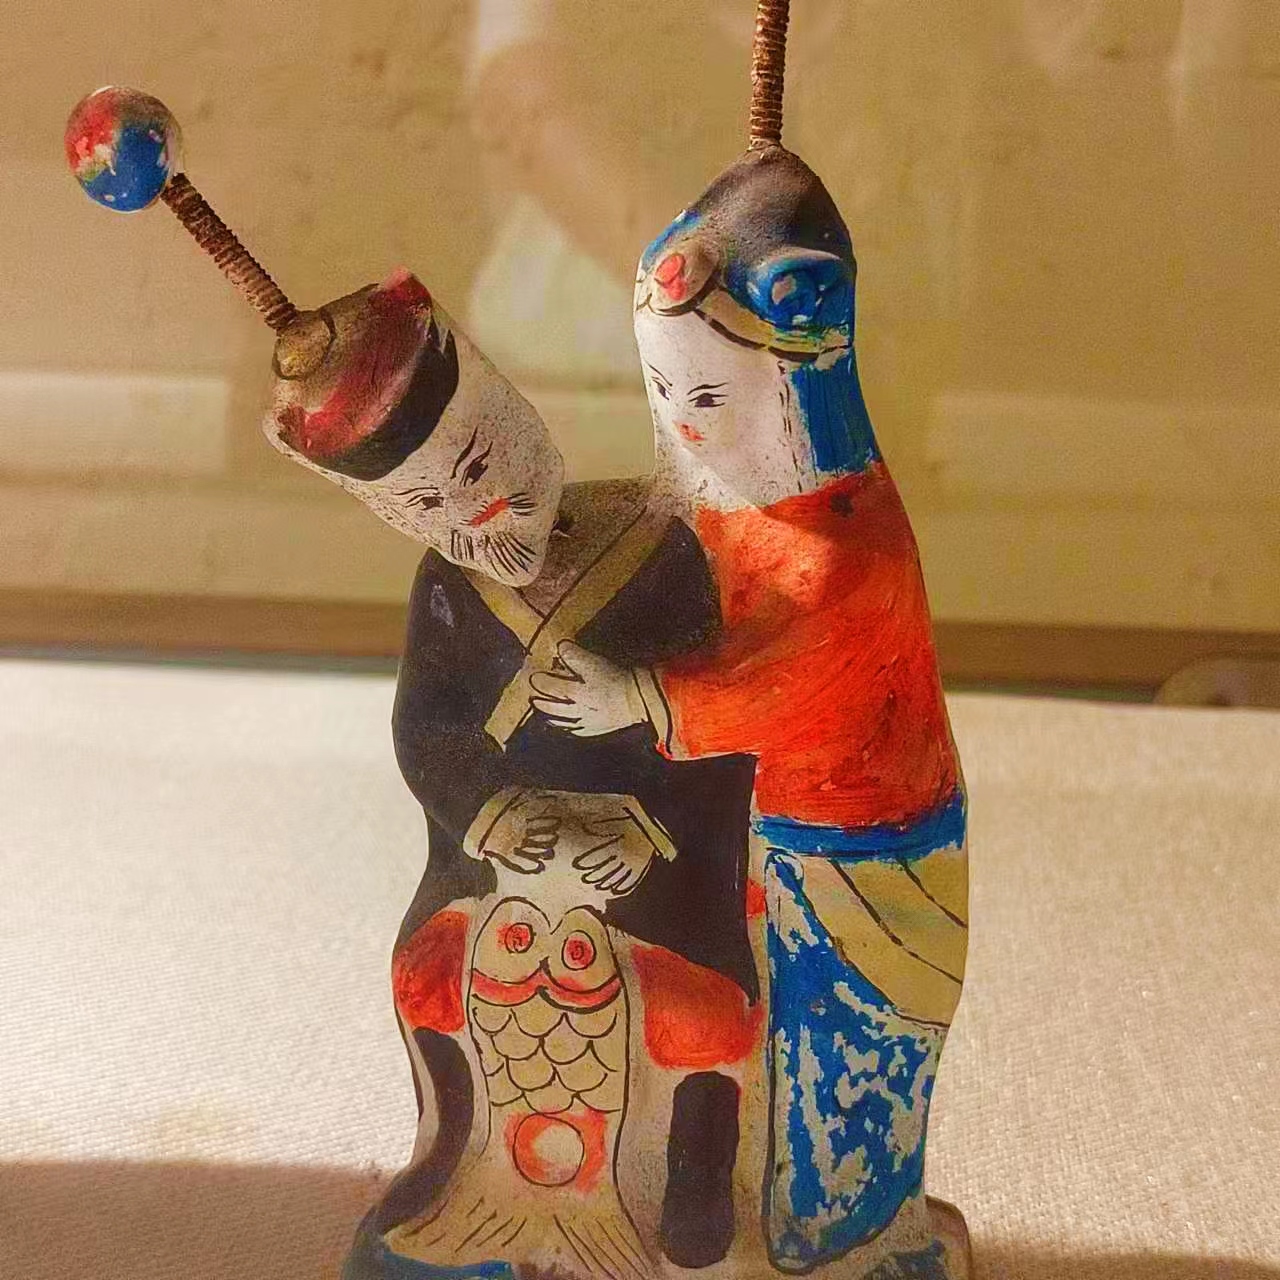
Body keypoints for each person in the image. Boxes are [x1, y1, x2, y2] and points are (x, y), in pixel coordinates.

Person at [261, 271, 761, 1277]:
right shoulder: (448, 585)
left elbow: (727, 722)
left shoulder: (668, 552)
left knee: (706, 989)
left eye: (480, 462)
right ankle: (453, 1151)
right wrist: (486, 815)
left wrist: (650, 820)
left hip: (660, 848)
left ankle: (696, 1167)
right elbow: (426, 728)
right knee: (428, 972)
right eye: (426, 503)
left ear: (514, 416)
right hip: (495, 851)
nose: (478, 507)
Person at [530, 145, 971, 1277]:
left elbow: (782, 689)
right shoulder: (737, 503)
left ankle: (848, 1248)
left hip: (867, 858)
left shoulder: (848, 551)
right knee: (747, 1047)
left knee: (838, 1073)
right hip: (765, 835)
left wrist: (636, 696)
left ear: (797, 381)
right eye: (661, 389)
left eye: (709, 395)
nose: (680, 422)